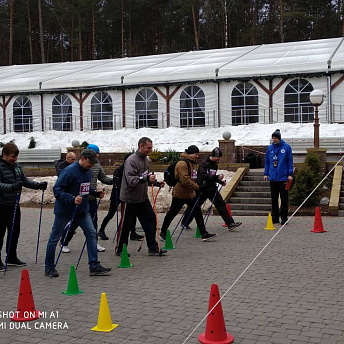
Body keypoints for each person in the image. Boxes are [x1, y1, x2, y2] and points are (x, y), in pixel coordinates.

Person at [45, 149, 111, 277]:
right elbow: (57, 190)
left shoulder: (88, 171)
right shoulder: (68, 171)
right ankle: (49, 267)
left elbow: (85, 187)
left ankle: (94, 265)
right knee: (54, 238)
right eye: (90, 162)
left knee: (91, 233)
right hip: (64, 211)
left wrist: (95, 193)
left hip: (82, 211)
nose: (92, 165)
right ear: (83, 158)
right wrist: (72, 199)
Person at [0, 142, 47, 270]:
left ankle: (11, 256)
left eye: (16, 157)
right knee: (0, 233)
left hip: (14, 204)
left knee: (15, 231)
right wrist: (12, 187)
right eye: (12, 157)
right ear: (4, 155)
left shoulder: (16, 166)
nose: (14, 159)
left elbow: (24, 181)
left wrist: (38, 185)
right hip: (2, 204)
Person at [116, 137, 167, 256]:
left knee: (150, 220)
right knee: (126, 226)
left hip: (142, 198)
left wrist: (155, 183)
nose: (151, 150)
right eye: (148, 148)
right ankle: (120, 249)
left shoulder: (146, 160)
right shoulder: (131, 160)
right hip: (130, 199)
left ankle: (153, 247)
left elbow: (144, 178)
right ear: (141, 146)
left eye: (151, 147)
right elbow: (131, 180)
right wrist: (145, 179)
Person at [160, 145, 217, 242]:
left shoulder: (190, 163)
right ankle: (163, 232)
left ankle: (204, 233)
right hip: (181, 193)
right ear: (190, 154)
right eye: (196, 154)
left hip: (189, 193)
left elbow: (191, 178)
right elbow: (184, 179)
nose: (197, 156)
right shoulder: (182, 163)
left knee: (197, 211)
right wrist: (197, 188)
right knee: (172, 213)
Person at [60, 144, 110, 253]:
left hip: (91, 198)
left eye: (97, 154)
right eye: (95, 154)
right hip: (79, 199)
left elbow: (103, 177)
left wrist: (112, 181)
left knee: (93, 222)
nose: (96, 156)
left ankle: (94, 243)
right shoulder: (79, 166)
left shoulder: (96, 165)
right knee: (74, 223)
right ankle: (64, 242)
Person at [183, 147, 242, 230]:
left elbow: (212, 177)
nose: (219, 159)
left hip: (211, 188)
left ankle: (230, 223)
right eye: (218, 157)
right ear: (213, 156)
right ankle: (185, 222)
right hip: (202, 189)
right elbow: (204, 175)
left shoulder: (215, 165)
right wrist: (217, 177)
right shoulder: (204, 163)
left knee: (221, 204)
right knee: (195, 206)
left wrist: (220, 181)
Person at [98, 153, 143, 241]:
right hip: (117, 194)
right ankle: (101, 230)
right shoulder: (119, 170)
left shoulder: (132, 169)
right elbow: (116, 183)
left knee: (131, 213)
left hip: (128, 195)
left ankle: (132, 232)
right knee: (111, 213)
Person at [264, 129, 293, 225]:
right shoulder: (270, 148)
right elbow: (267, 162)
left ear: (279, 138)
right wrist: (266, 173)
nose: (274, 140)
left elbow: (289, 162)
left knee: (284, 199)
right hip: (273, 177)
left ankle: (284, 218)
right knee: (274, 198)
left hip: (283, 177)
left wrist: (290, 174)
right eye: (273, 138)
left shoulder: (287, 148)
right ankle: (275, 217)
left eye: (275, 138)